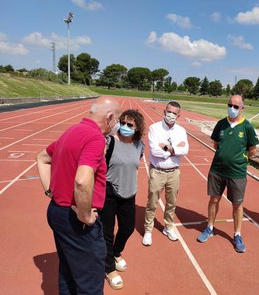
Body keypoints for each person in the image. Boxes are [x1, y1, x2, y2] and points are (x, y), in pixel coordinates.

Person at [36, 96, 121, 295]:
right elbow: (82, 180)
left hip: (57, 211)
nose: (116, 124)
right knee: (90, 282)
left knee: (68, 271)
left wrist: (49, 190)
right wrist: (85, 215)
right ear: (109, 117)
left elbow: (42, 158)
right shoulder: (94, 138)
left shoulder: (72, 130)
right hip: (76, 220)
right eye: (116, 119)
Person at [197, 95, 259, 253]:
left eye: (236, 106)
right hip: (217, 169)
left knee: (237, 204)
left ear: (242, 108)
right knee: (214, 199)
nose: (232, 108)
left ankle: (237, 234)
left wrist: (240, 160)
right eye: (230, 104)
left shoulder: (247, 126)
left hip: (237, 172)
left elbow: (253, 150)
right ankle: (210, 227)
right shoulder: (221, 124)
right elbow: (216, 144)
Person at [100, 109, 145, 290]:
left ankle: (116, 252)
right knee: (107, 232)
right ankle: (109, 268)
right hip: (109, 192)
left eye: (130, 125)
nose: (126, 127)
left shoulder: (140, 145)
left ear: (137, 128)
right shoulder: (110, 142)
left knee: (128, 228)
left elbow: (135, 165)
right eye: (123, 123)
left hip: (129, 192)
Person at [142, 101, 189, 246]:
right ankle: (148, 230)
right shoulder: (154, 128)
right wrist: (175, 149)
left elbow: (185, 150)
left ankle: (168, 227)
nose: (171, 115)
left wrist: (166, 147)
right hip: (157, 171)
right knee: (152, 202)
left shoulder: (181, 130)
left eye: (174, 113)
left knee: (172, 203)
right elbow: (154, 151)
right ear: (164, 111)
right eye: (169, 112)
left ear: (178, 115)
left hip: (174, 172)